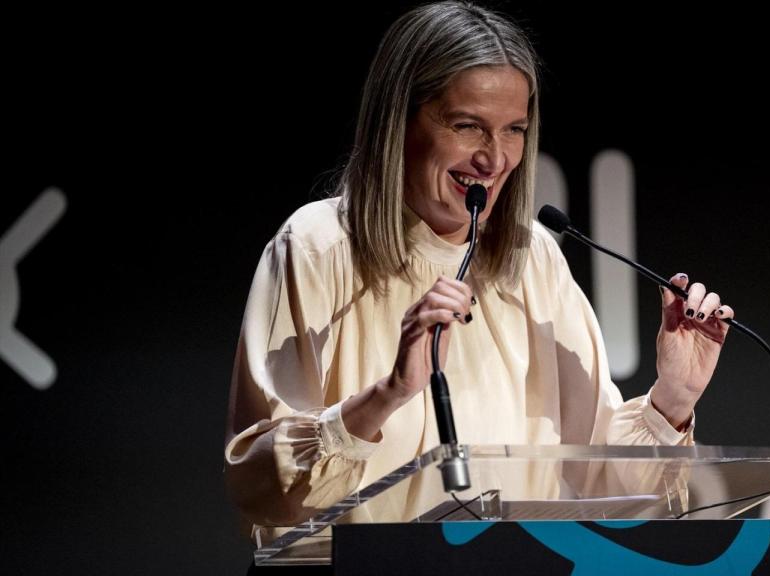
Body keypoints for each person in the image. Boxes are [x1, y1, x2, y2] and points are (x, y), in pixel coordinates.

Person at [224, 0, 734, 546]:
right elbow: (263, 486)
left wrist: (671, 401)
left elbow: (598, 483)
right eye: (467, 126)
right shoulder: (317, 247)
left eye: (513, 129)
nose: (495, 159)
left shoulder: (531, 257)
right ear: (398, 122)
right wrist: (392, 391)